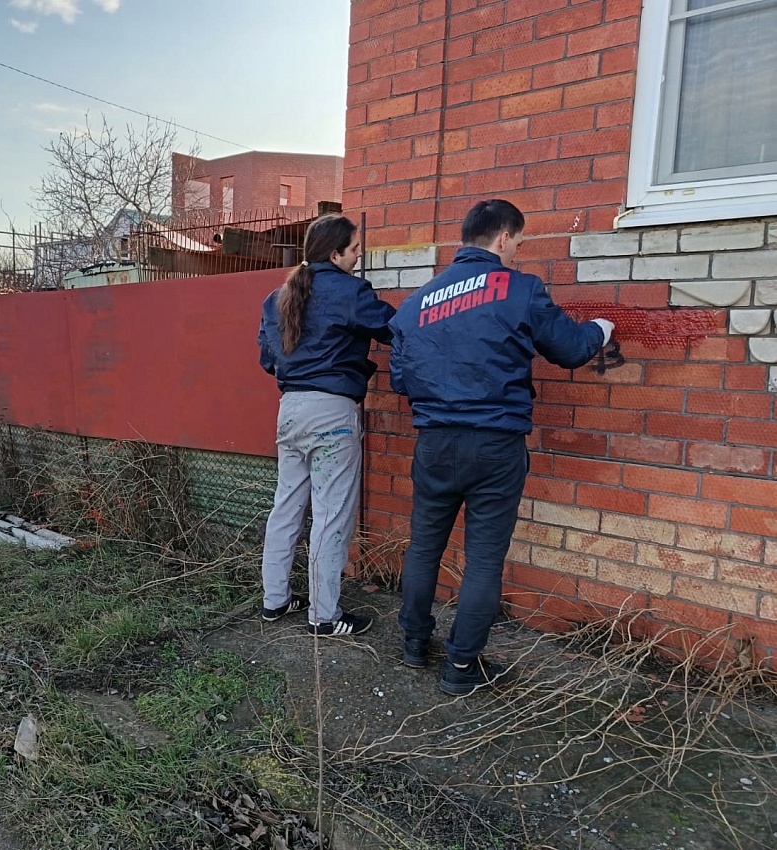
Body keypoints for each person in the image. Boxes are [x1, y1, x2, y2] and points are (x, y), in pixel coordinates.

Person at [388, 199, 614, 695]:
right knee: (484, 560)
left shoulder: (414, 303)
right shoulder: (521, 289)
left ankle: (413, 644)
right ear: (504, 238)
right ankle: (460, 666)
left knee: (424, 546)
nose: (517, 252)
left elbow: (400, 380)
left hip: (435, 444)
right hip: (495, 445)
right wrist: (601, 328)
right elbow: (571, 349)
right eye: (519, 243)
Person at [257, 214, 396, 637]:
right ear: (335, 254)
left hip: (291, 409)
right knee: (332, 514)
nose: (359, 256)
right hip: (332, 412)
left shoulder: (277, 298)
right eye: (354, 249)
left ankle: (275, 600)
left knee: (286, 508)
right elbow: (394, 329)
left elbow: (267, 360)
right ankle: (324, 615)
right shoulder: (351, 291)